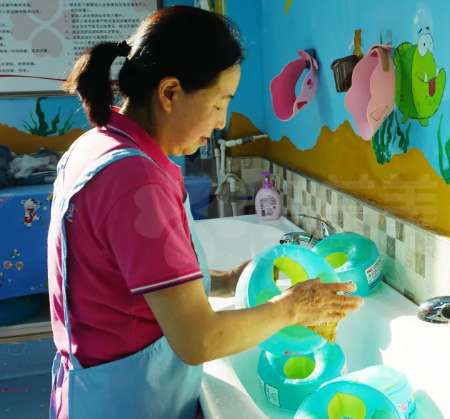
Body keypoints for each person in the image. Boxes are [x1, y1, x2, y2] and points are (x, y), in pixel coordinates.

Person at [47, 6, 363, 419]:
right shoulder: (136, 180)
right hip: (128, 401)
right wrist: (292, 308)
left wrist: (228, 281)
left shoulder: (98, 145)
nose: (221, 122)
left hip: (95, 391)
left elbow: (132, 277)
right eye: (218, 104)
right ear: (170, 92)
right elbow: (199, 340)